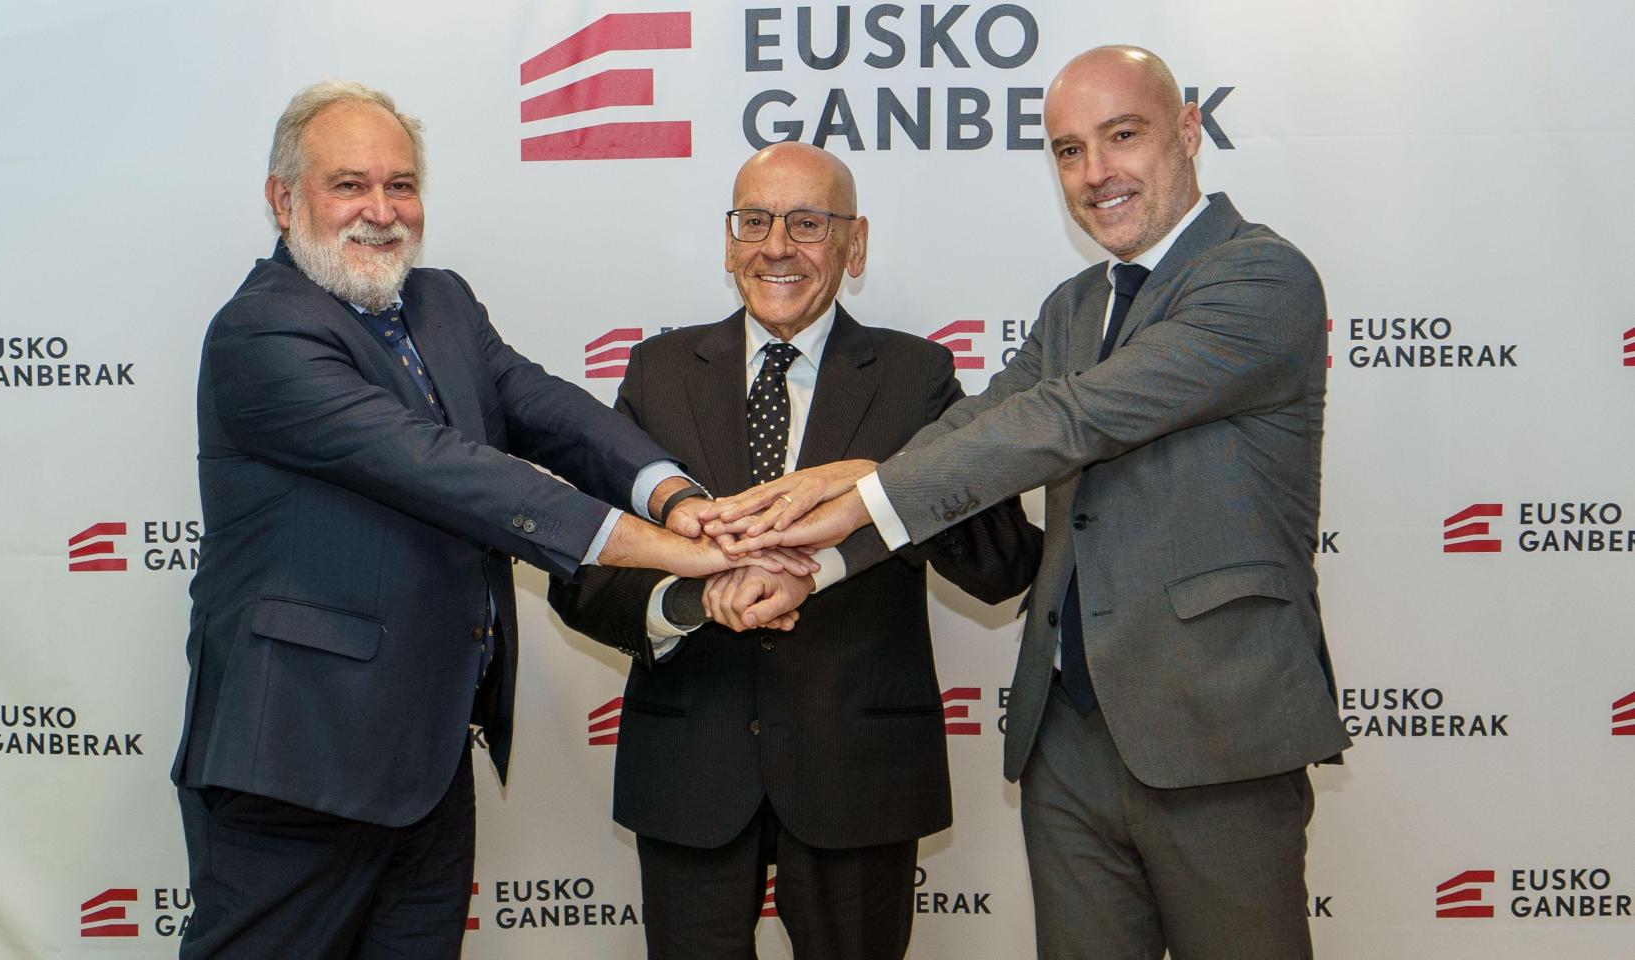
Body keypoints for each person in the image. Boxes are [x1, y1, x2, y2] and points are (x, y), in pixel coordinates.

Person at [708, 47, 1350, 959]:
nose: (1096, 173)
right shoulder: (1076, 303)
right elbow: (978, 424)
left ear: (1188, 130)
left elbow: (1069, 419)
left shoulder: (1260, 278)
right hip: (1068, 735)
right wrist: (821, 559)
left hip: (1216, 727)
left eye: (1121, 136)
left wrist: (856, 486)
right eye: (1068, 150)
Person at [168, 79, 789, 960]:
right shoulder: (261, 331)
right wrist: (673, 555)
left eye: (401, 184)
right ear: (283, 199)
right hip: (298, 761)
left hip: (426, 760)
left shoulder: (442, 303)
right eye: (350, 185)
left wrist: (678, 499)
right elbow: (446, 473)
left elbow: (548, 411)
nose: (381, 210)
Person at [548, 142, 1041, 960]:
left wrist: (887, 481)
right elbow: (586, 571)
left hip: (859, 774)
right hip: (691, 771)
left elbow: (1002, 566)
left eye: (808, 223)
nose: (776, 247)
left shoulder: (916, 375)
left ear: (855, 244)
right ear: (729, 240)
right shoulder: (658, 372)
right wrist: (693, 599)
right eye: (755, 221)